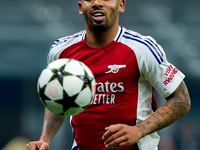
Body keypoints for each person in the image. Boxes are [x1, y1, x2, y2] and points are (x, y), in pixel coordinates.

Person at [25, 0, 191, 149]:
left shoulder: (143, 48)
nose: (97, 3)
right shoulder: (61, 51)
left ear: (121, 5)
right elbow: (59, 100)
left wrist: (139, 130)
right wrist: (45, 139)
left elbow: (181, 100)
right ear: (80, 7)